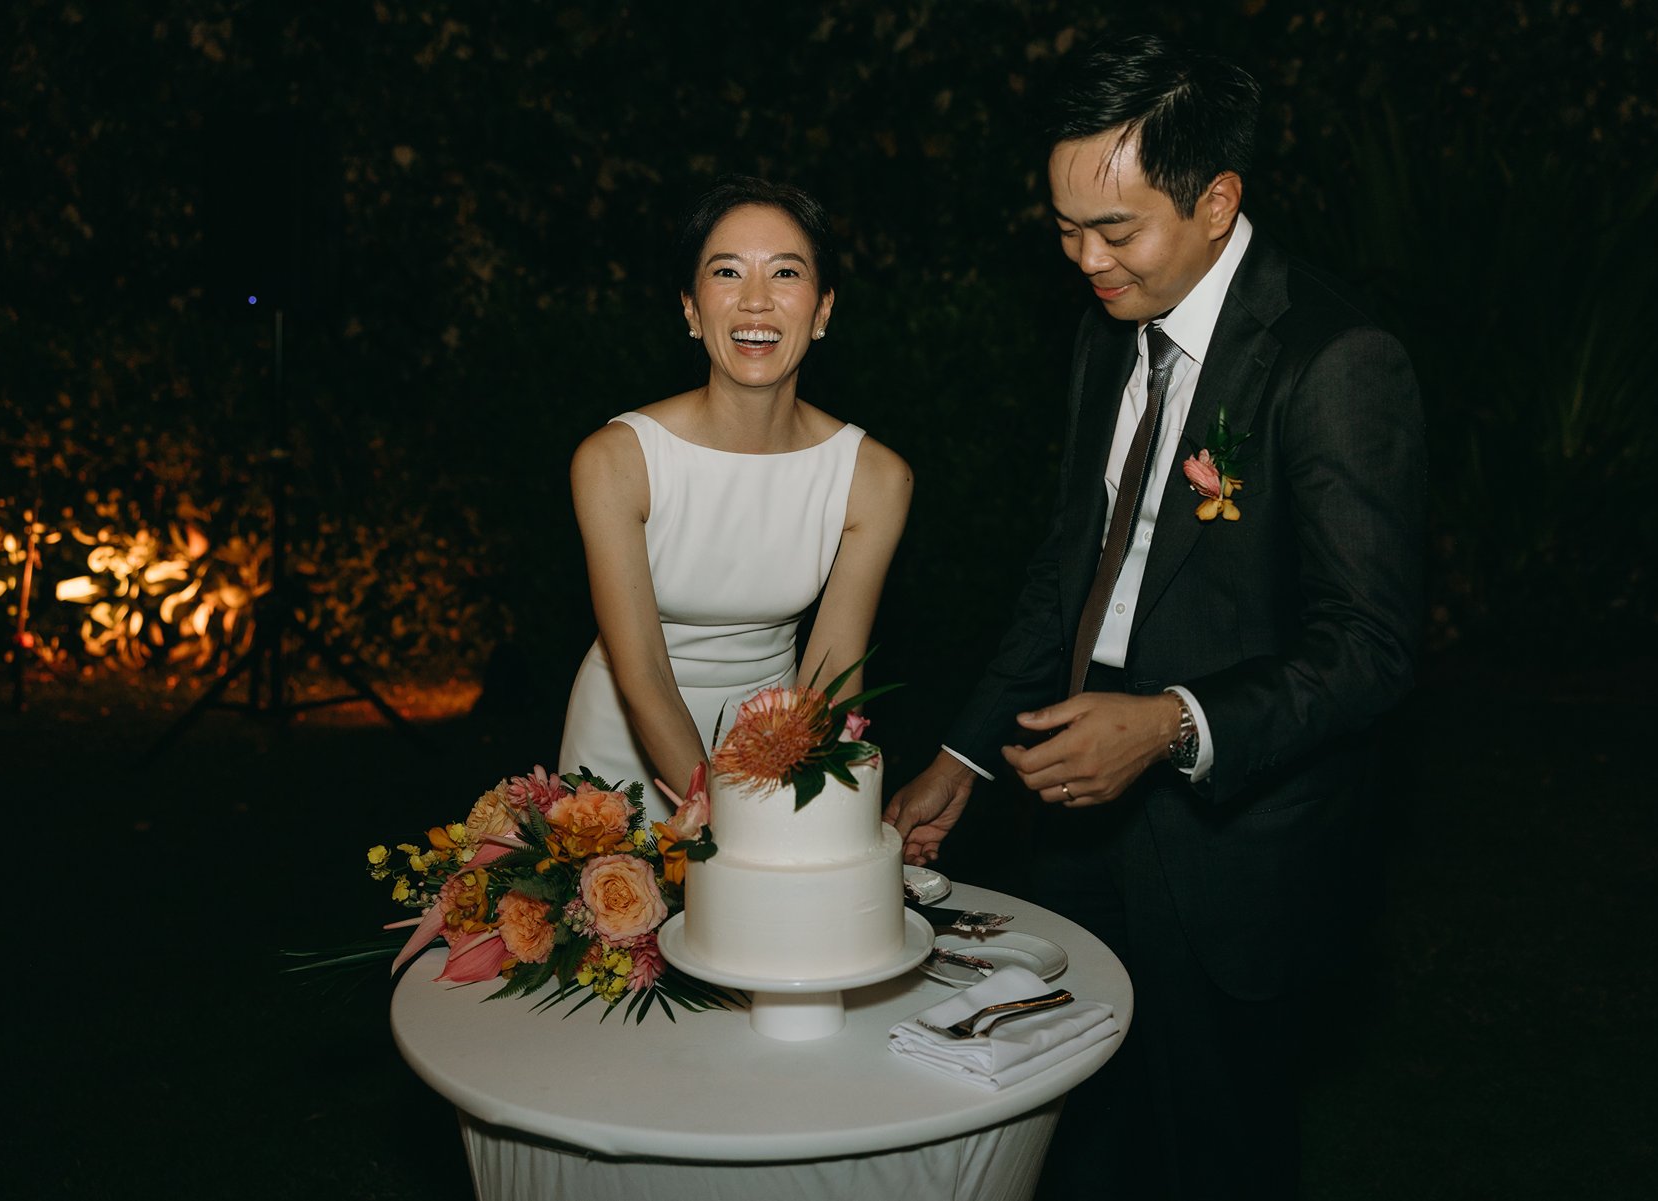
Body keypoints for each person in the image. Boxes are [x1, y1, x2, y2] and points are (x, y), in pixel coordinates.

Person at [885, 35, 1425, 1200]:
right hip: (1074, 826)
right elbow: (1068, 568)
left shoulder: (1337, 359)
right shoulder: (1106, 333)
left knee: (1216, 1152)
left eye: (1115, 230)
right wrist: (966, 752)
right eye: (1066, 228)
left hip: (1235, 852)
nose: (1084, 260)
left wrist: (1171, 723)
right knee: (1074, 1142)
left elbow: (1370, 648)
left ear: (1217, 201)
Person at [559, 176, 911, 826]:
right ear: (692, 309)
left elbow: (830, 678)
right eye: (727, 272)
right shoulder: (615, 461)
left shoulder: (875, 477)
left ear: (824, 308)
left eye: (785, 273)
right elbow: (644, 677)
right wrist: (720, 817)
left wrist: (802, 813)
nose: (755, 301)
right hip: (622, 747)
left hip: (768, 748)